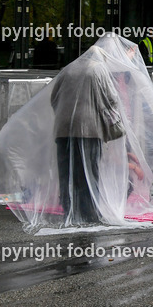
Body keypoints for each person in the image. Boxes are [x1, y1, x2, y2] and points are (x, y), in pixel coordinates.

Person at [49, 50, 125, 225]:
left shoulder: (68, 69)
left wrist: (66, 115)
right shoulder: (97, 69)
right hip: (89, 128)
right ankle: (89, 212)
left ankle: (70, 210)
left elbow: (54, 98)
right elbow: (111, 98)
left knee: (67, 172)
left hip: (63, 128)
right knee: (88, 172)